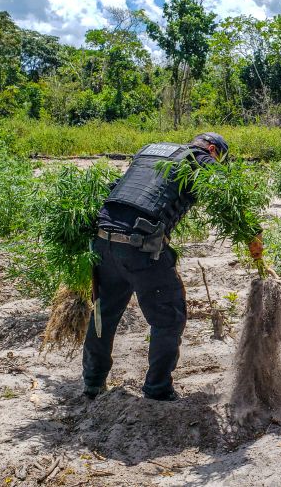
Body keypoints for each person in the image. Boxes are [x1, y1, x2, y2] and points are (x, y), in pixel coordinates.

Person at [82, 133, 264, 401]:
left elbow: (114, 188)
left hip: (103, 239)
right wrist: (252, 234)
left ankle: (93, 384)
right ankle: (157, 390)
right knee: (169, 317)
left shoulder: (150, 151)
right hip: (141, 246)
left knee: (104, 313)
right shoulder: (200, 158)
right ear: (213, 150)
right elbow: (226, 198)